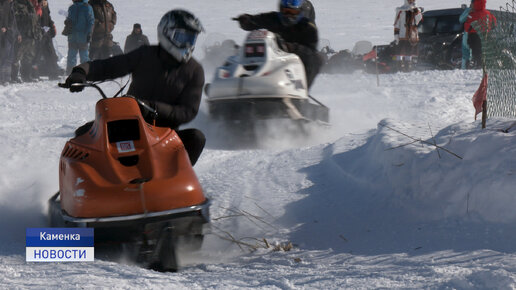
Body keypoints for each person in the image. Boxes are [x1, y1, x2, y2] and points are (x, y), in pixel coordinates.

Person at [64, 9, 206, 166]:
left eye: (191, 39)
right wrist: (82, 71)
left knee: (196, 138)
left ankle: (177, 182)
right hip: (129, 124)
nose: (187, 44)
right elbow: (110, 66)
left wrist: (152, 108)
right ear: (166, 33)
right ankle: (83, 183)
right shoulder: (145, 55)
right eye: (182, 37)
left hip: (165, 135)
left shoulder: (194, 70)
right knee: (84, 134)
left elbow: (187, 111)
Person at [235, 0, 322, 89]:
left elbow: (310, 50)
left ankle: (302, 91)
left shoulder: (308, 28)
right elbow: (256, 21)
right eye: (285, 11)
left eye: (292, 12)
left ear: (300, 12)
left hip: (295, 58)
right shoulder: (274, 18)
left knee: (316, 59)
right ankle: (240, 82)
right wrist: (246, 20)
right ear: (281, 10)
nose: (288, 15)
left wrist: (292, 47)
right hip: (272, 55)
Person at [11, 0, 41, 82]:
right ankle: (14, 77)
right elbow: (15, 20)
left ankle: (26, 76)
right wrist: (18, 33)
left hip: (31, 34)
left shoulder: (30, 5)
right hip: (22, 34)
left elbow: (35, 20)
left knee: (28, 56)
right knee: (17, 56)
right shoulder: (16, 4)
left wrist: (37, 31)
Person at [64, 0, 94, 74]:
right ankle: (70, 72)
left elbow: (91, 22)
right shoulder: (72, 7)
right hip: (72, 36)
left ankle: (86, 73)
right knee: (71, 55)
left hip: (83, 37)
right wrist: (67, 23)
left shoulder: (87, 7)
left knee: (84, 56)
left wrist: (89, 33)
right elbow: (69, 20)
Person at [34, 0, 62, 79]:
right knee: (37, 55)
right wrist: (40, 30)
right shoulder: (37, 9)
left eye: (45, 1)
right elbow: (36, 21)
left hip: (47, 35)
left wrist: (52, 26)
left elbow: (48, 19)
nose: (44, 3)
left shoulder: (46, 9)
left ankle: (53, 73)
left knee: (51, 54)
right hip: (39, 35)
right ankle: (34, 74)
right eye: (42, 2)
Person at [464, 0, 496, 68]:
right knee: (484, 52)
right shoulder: (489, 14)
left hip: (474, 36)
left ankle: (477, 65)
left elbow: (467, 27)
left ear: (475, 3)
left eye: (472, 3)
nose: (471, 4)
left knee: (475, 52)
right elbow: (494, 24)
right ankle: (484, 65)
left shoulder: (472, 14)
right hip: (486, 36)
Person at [0, 0, 17, 85]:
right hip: (3, 34)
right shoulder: (3, 4)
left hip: (10, 34)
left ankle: (7, 78)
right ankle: (2, 78)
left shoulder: (11, 5)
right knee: (3, 56)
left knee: (9, 57)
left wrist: (17, 33)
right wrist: (3, 27)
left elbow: (13, 21)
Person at [459, 2, 472, 69]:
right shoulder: (484, 11)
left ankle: (464, 69)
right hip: (480, 34)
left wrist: (467, 10)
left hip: (468, 33)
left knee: (466, 53)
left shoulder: (469, 10)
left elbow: (461, 19)